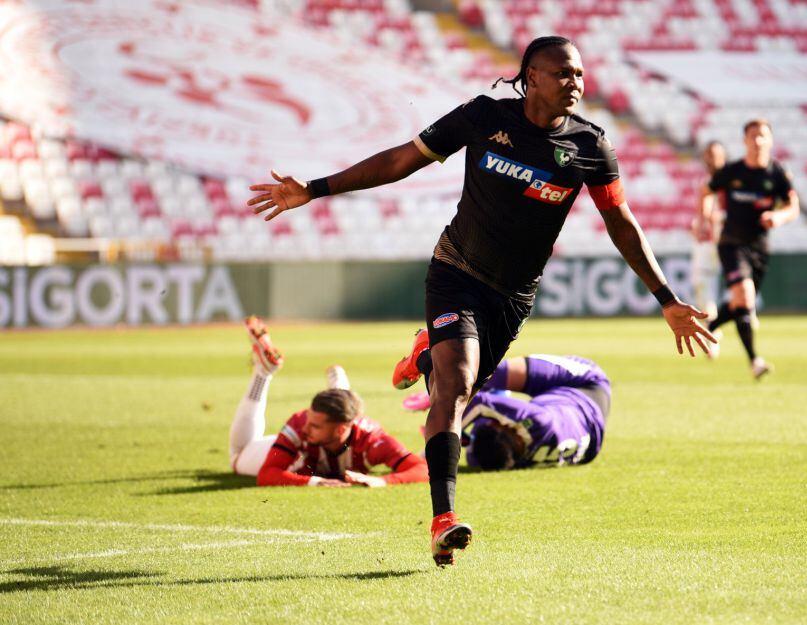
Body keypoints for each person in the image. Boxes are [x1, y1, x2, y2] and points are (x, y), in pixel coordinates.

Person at [247, 36, 715, 566]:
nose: (575, 83)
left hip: (513, 297)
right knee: (455, 387)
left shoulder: (590, 146)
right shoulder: (483, 117)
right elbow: (401, 160)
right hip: (456, 271)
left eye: (580, 74)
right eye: (563, 73)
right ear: (531, 76)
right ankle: (443, 520)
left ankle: (425, 354)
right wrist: (314, 188)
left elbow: (621, 224)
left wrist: (667, 298)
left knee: (458, 385)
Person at [229, 317, 428, 488]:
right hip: (289, 454)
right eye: (310, 422)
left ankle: (340, 389)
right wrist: (315, 482)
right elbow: (267, 474)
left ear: (341, 430)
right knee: (237, 458)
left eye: (315, 426)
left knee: (339, 409)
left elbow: (421, 469)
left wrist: (380, 481)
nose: (306, 428)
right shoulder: (299, 425)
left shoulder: (371, 438)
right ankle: (263, 373)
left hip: (325, 444)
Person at [700, 119, 800, 379]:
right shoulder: (733, 171)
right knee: (745, 297)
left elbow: (793, 207)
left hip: (760, 248)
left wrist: (779, 217)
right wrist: (706, 218)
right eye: (752, 136)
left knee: (740, 303)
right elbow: (706, 190)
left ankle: (712, 325)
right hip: (731, 243)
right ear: (745, 141)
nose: (757, 141)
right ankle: (755, 361)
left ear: (770, 140)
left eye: (762, 135)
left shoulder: (777, 174)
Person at [402, 351, 611, 470]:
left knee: (477, 411)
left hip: (589, 440)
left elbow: (478, 444)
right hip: (587, 386)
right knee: (492, 375)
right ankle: (445, 377)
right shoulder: (538, 421)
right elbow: (479, 403)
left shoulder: (496, 458)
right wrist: (429, 452)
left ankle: (431, 360)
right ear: (506, 427)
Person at [689, 141, 726, 326]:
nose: (710, 159)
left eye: (714, 154)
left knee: (737, 285)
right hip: (710, 240)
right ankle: (712, 326)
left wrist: (716, 219)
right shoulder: (706, 181)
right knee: (703, 283)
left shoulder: (730, 180)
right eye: (708, 154)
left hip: (725, 240)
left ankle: (746, 319)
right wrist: (700, 223)